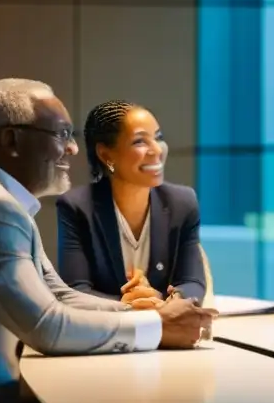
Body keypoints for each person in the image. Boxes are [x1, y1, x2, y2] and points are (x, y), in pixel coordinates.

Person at [0, 79, 215, 403]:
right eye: (61, 134)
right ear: (11, 139)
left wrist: (145, 311)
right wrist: (158, 327)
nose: (71, 149)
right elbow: (48, 327)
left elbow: (60, 295)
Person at [56, 101, 205, 307]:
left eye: (159, 138)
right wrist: (128, 306)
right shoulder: (76, 206)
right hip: (104, 334)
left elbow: (193, 282)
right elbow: (74, 291)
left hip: (165, 329)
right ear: (106, 155)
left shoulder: (182, 202)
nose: (156, 150)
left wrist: (163, 302)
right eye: (140, 142)